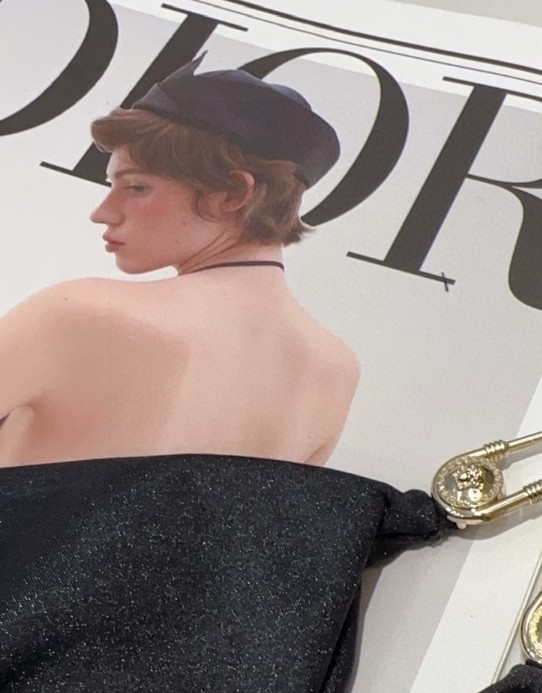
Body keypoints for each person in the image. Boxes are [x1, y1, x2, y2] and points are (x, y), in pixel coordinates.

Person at [0, 59, 359, 469]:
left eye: (136, 187)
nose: (102, 213)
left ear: (232, 193)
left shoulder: (81, 313)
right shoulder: (336, 372)